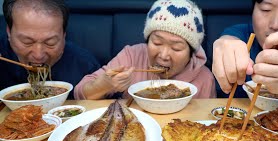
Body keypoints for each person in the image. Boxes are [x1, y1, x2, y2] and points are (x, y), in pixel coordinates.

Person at [74, 0, 216, 100]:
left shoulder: (204, 78)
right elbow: (80, 94)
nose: (164, 55)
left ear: (192, 52)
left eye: (176, 47)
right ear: (147, 39)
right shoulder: (131, 56)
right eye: (157, 42)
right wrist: (104, 84)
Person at [212, 0, 278, 98]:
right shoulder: (240, 33)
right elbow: (228, 41)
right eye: (266, 9)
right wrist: (225, 48)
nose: (275, 24)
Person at [0, 0, 101, 99]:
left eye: (50, 42)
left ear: (64, 35)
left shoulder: (85, 65)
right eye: (27, 42)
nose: (38, 55)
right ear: (9, 32)